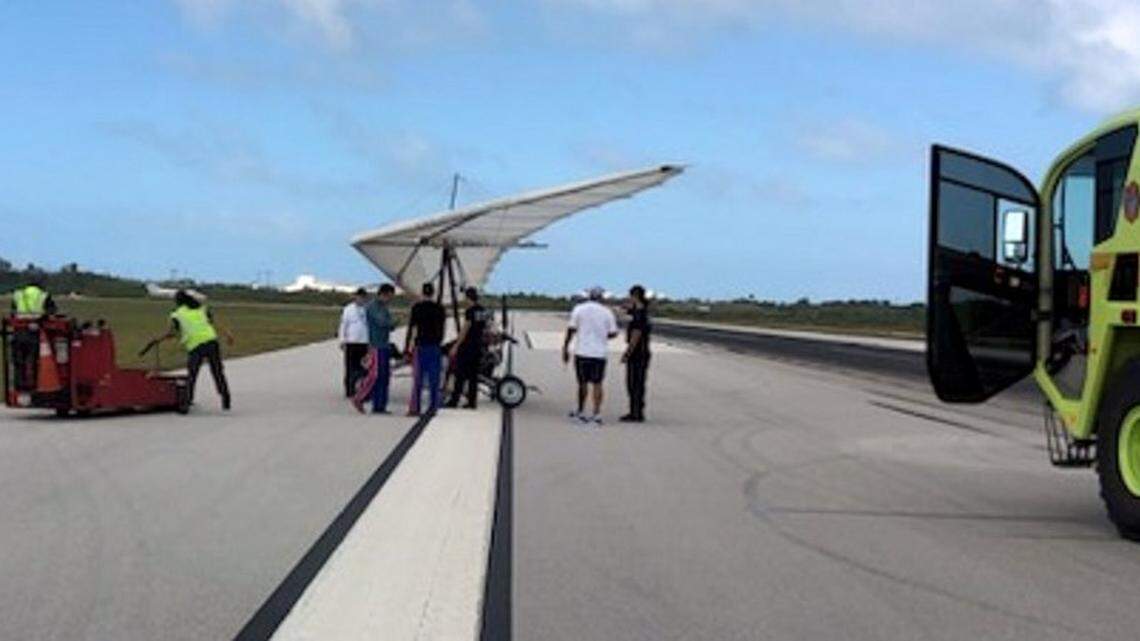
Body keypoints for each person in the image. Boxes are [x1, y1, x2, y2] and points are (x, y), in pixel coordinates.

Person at [150, 290, 233, 410]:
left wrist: (159, 339)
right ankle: (226, 398)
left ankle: (186, 403)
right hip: (212, 342)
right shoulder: (202, 309)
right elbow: (214, 323)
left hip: (196, 346)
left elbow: (172, 332)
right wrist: (227, 334)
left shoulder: (177, 314)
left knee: (192, 374)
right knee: (217, 372)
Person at [562, 286, 618, 426]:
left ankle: (580, 411)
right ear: (601, 297)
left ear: (589, 296)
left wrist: (566, 347)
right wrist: (602, 336)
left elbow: (571, 329)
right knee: (597, 383)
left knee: (582, 383)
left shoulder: (579, 309)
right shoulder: (607, 312)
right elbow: (613, 333)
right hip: (599, 354)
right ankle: (596, 414)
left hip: (582, 351)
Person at [404, 282, 446, 416]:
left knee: (418, 379)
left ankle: (415, 408)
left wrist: (407, 347)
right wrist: (439, 340)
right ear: (433, 293)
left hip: (420, 346)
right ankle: (433, 407)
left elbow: (412, 329)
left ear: (422, 293)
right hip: (434, 346)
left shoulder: (417, 308)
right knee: (434, 378)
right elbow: (442, 329)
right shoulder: (439, 308)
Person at [353, 283, 396, 414]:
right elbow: (383, 322)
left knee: (384, 376)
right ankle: (359, 397)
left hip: (384, 343)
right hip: (376, 345)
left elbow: (389, 324)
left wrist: (391, 323)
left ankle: (380, 405)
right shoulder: (373, 307)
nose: (390, 300)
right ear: (384, 294)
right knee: (375, 375)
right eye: (389, 296)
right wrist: (392, 323)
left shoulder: (384, 307)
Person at [446, 287, 490, 409]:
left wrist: (456, 345)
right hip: (478, 346)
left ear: (468, 297)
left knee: (460, 375)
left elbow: (465, 329)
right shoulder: (482, 311)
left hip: (468, 346)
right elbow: (486, 326)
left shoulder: (470, 311)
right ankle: (472, 401)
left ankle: (454, 401)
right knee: (473, 377)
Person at [620, 284, 652, 423]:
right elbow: (626, 311)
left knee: (634, 383)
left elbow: (636, 334)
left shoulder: (639, 314)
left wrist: (627, 353)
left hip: (638, 352)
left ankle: (636, 413)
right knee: (637, 382)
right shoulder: (640, 311)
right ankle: (636, 410)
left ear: (634, 296)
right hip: (643, 352)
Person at [338, 288, 370, 398]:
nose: (361, 299)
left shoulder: (367, 309)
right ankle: (349, 390)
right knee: (350, 367)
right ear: (355, 297)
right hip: (352, 342)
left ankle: (362, 388)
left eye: (363, 297)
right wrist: (342, 340)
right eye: (359, 297)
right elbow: (343, 325)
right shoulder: (348, 309)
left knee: (363, 367)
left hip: (364, 342)